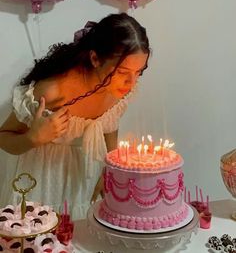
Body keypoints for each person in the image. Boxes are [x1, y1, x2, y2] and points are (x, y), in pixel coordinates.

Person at [0, 12, 150, 219]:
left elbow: (109, 126)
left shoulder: (120, 90)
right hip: (41, 181)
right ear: (95, 58)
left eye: (139, 72)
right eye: (123, 72)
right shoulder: (52, 92)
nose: (131, 83)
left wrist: (111, 169)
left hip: (82, 179)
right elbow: (3, 136)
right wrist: (32, 138)